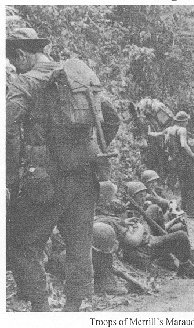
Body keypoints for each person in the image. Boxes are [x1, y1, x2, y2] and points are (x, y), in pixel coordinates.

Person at [6, 28, 120, 311]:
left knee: (22, 244)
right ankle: (71, 309)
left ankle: (41, 309)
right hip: (85, 177)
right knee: (80, 244)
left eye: (13, 61)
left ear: (22, 54)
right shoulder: (78, 79)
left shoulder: (26, 82)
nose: (13, 67)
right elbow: (112, 118)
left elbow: (6, 126)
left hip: (46, 181)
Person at [123, 181, 194, 278]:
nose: (143, 199)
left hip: (146, 242)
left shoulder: (138, 209)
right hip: (143, 249)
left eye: (144, 196)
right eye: (140, 196)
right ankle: (184, 266)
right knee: (181, 235)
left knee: (155, 209)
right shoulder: (128, 213)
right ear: (132, 197)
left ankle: (177, 261)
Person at [149, 111, 194, 219]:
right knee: (193, 186)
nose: (187, 122)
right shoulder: (182, 130)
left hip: (174, 162)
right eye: (186, 121)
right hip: (186, 162)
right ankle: (191, 213)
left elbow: (157, 134)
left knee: (183, 186)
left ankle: (184, 209)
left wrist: (149, 132)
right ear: (184, 121)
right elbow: (184, 145)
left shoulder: (169, 129)